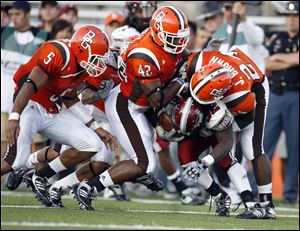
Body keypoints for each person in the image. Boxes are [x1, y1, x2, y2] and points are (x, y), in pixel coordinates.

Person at [71, 5, 191, 211]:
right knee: (143, 163)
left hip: (138, 105)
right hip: (125, 105)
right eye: (173, 37)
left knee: (147, 163)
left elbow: (185, 56)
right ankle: (88, 188)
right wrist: (180, 82)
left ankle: (91, 186)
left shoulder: (160, 43)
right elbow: (157, 100)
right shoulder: (144, 55)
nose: (179, 42)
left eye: (181, 37)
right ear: (159, 34)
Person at [1, 25, 118, 206]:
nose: (99, 64)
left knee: (92, 143)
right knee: (15, 161)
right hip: (30, 105)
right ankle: (24, 168)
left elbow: (70, 97)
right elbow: (30, 84)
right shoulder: (59, 52)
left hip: (52, 109)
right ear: (82, 49)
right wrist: (15, 116)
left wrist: (96, 127)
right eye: (96, 58)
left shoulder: (82, 66)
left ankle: (40, 176)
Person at [185, 47, 276, 219]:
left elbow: (245, 121)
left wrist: (213, 125)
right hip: (234, 71)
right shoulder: (198, 60)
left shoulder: (240, 98)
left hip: (255, 89)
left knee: (252, 148)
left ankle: (267, 206)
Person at [1, 1, 50, 174]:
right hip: (3, 99)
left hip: (30, 101)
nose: (13, 18)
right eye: (11, 14)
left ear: (28, 14)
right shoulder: (3, 33)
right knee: (3, 142)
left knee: (37, 142)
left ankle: (37, 179)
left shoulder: (43, 37)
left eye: (18, 14)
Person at [264, 1, 299, 205]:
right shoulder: (277, 37)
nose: (291, 20)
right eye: (288, 16)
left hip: (295, 95)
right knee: (264, 144)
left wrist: (279, 58)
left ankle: (290, 194)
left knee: (295, 147)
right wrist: (289, 59)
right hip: (275, 95)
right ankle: (254, 188)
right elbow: (266, 62)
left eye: (295, 16)